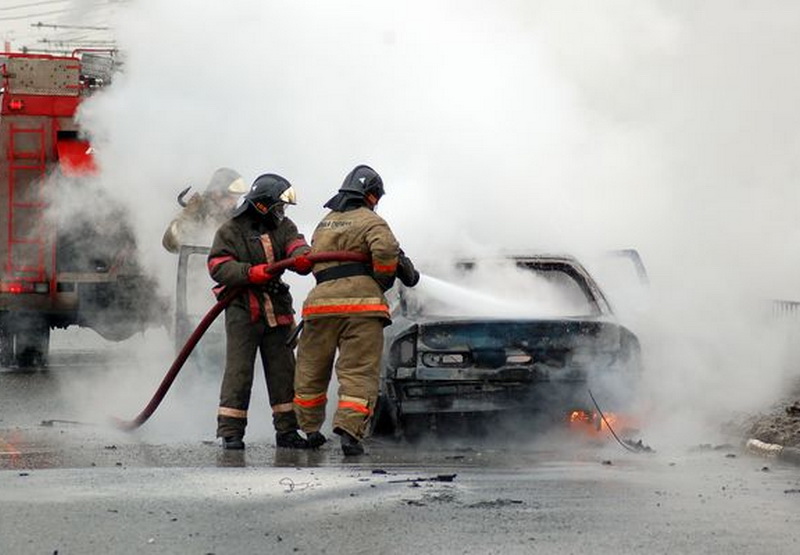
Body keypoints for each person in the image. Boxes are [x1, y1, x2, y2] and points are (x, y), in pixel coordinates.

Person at [293, 165, 420, 456]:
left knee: (311, 369)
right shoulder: (371, 221)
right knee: (358, 372)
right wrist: (382, 281)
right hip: (361, 307)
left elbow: (314, 260)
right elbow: (386, 252)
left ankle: (310, 430)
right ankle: (350, 433)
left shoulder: (325, 223)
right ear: (371, 195)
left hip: (320, 306)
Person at [207, 173, 311, 450]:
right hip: (243, 310)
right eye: (278, 206)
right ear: (263, 204)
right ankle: (231, 432)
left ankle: (287, 431)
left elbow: (295, 242)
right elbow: (217, 265)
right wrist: (250, 273)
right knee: (239, 371)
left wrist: (302, 255)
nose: (282, 212)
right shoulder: (231, 230)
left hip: (277, 309)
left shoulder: (283, 225)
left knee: (283, 370)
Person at [162, 167, 249, 253]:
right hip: (192, 265)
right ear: (217, 193)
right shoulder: (195, 212)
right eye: (231, 198)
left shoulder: (233, 219)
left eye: (237, 199)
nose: (234, 203)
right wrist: (187, 215)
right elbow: (170, 244)